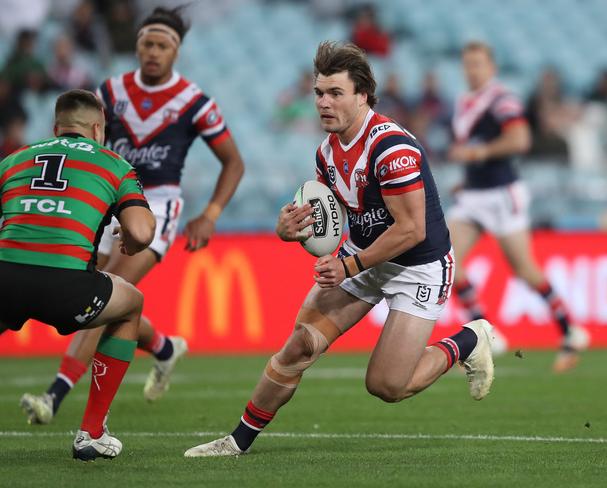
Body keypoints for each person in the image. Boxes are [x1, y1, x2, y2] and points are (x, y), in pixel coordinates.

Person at [184, 41, 495, 457]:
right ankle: (237, 441)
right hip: (363, 256)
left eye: (335, 93)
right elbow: (330, 223)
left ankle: (468, 341)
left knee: (386, 386)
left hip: (418, 267)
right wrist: (291, 229)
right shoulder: (326, 153)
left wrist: (348, 267)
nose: (323, 103)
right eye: (318, 93)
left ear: (363, 95)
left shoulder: (392, 148)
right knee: (299, 345)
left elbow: (411, 230)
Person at [20, 6, 245, 424]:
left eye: (162, 45)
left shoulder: (194, 102)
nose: (153, 52)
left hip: (155, 206)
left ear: (176, 51)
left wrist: (210, 213)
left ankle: (53, 396)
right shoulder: (110, 91)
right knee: (104, 301)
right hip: (108, 202)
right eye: (147, 44)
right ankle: (163, 347)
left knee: (102, 291)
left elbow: (233, 162)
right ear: (137, 45)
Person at [0, 89, 155, 460]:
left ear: (56, 128)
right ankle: (91, 433)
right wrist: (131, 244)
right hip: (68, 288)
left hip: (6, 278)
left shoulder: (13, 161)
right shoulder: (113, 164)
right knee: (131, 303)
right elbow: (143, 232)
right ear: (98, 128)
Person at [447, 42, 589, 373]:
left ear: (491, 68)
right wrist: (468, 177)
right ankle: (486, 334)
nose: (472, 70)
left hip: (501, 195)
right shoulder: (464, 101)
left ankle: (570, 329)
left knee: (525, 270)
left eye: (478, 64)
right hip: (474, 194)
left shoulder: (501, 100)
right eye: (468, 64)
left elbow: (520, 140)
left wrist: (476, 156)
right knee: (447, 261)